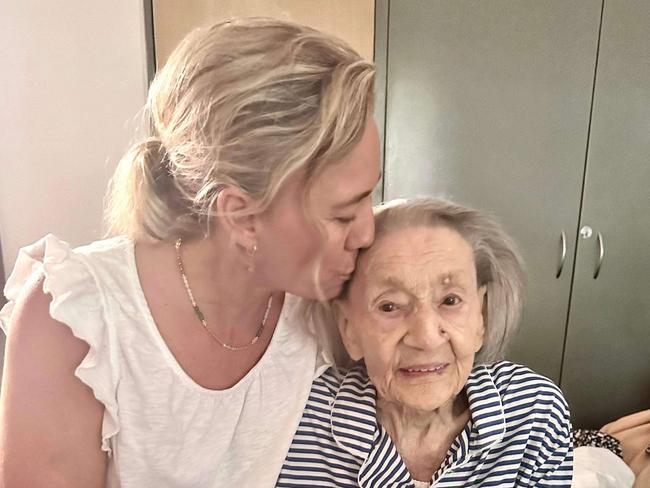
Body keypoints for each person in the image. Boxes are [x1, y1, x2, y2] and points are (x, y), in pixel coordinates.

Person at [0, 18, 380, 487]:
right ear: (241, 217)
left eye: (370, 197)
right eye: (344, 215)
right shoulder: (74, 318)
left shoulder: (327, 297)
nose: (368, 231)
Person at [277, 198, 574, 487]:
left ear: (481, 318)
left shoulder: (535, 413)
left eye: (450, 300)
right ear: (349, 328)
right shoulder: (298, 421)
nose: (426, 338)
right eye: (389, 306)